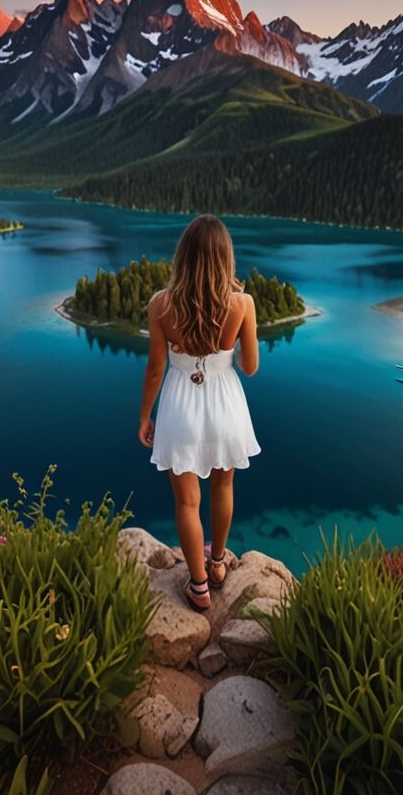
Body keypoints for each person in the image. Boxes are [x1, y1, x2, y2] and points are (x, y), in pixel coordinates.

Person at [138, 215, 260, 611]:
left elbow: (156, 369)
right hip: (226, 402)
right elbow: (251, 366)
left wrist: (145, 417)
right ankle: (219, 562)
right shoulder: (242, 303)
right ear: (226, 259)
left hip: (179, 404)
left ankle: (199, 586)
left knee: (187, 502)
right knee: (224, 487)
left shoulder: (161, 304)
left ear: (183, 257)